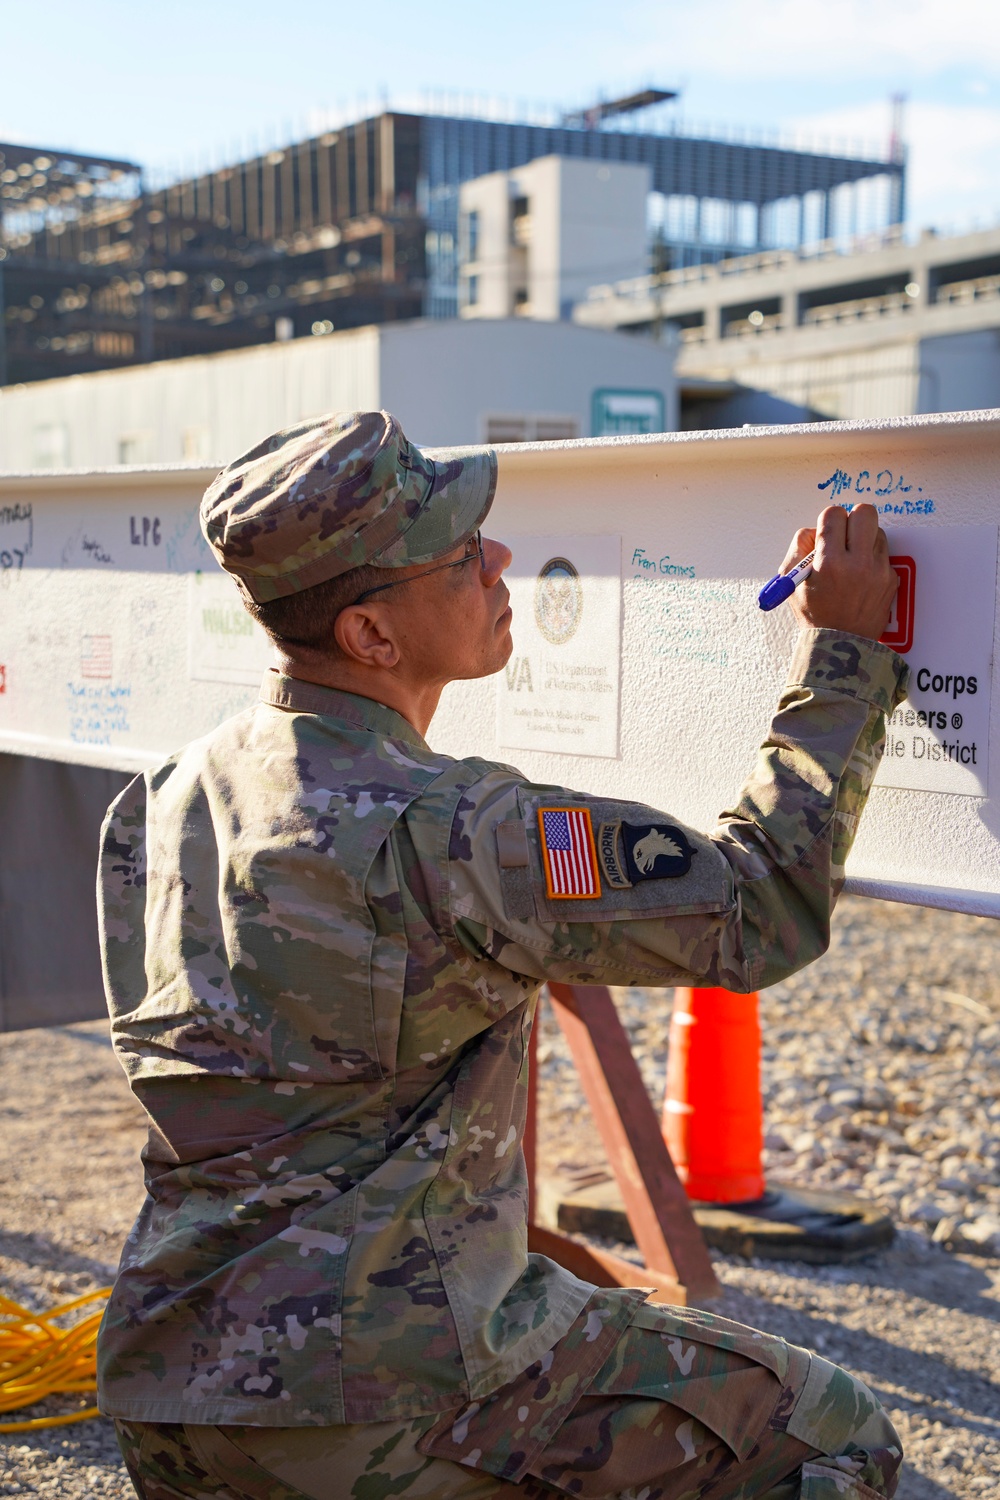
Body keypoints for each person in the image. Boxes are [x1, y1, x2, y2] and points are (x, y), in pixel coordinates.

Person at [98, 410, 907, 1500]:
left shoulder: (167, 796)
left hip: (170, 1388)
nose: (497, 560)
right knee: (831, 1429)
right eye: (457, 557)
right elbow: (760, 906)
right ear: (372, 637)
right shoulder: (463, 829)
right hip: (377, 1407)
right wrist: (845, 651)